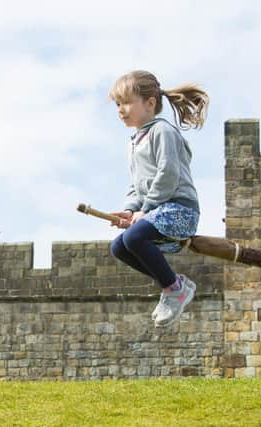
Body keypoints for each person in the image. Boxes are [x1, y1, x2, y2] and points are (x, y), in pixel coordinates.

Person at [108, 70, 209, 327]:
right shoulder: (134, 143)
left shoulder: (162, 131)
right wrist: (130, 211)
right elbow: (136, 186)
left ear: (150, 103)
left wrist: (147, 209)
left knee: (133, 237)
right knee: (119, 247)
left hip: (179, 211)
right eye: (118, 104)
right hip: (156, 213)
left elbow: (169, 174)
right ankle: (174, 284)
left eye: (127, 102)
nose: (121, 110)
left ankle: (174, 290)